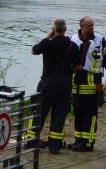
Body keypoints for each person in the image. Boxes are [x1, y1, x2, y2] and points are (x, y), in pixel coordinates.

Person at [31, 18, 81, 154]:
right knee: (59, 114)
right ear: (65, 29)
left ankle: (31, 141)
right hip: (65, 82)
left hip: (48, 81)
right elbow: (78, 66)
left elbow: (34, 51)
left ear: (54, 30)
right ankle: (54, 145)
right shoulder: (73, 46)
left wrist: (48, 36)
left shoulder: (47, 43)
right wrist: (67, 71)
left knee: (39, 111)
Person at [69, 16, 106, 152]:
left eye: (93, 26)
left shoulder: (100, 40)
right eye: (89, 26)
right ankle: (78, 140)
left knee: (90, 114)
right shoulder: (73, 39)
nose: (92, 28)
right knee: (78, 112)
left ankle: (88, 142)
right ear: (82, 26)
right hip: (77, 83)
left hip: (93, 83)